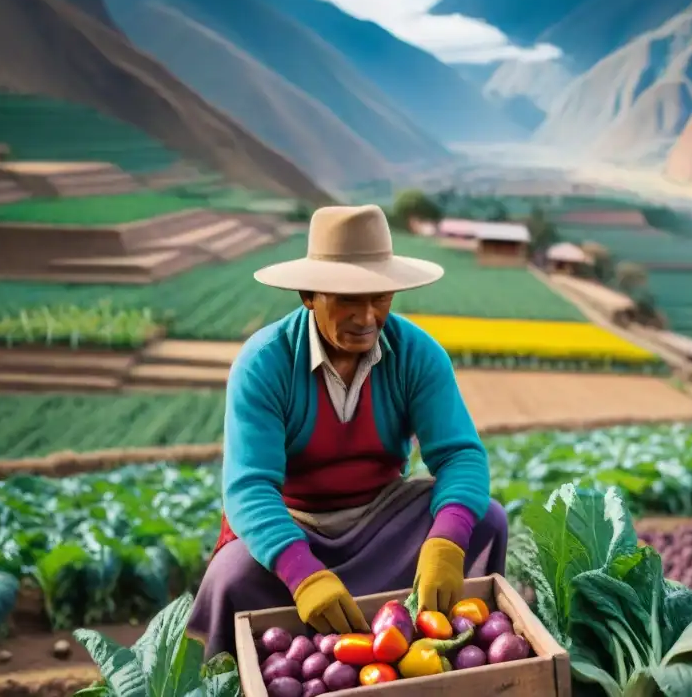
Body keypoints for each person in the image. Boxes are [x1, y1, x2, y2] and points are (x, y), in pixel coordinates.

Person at [187, 204, 508, 658]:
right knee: (232, 576)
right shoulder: (264, 364)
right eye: (347, 300)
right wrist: (302, 574)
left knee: (486, 519)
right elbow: (249, 487)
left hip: (382, 517)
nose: (368, 317)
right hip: (298, 521)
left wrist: (446, 540)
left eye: (380, 297)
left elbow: (460, 456)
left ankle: (457, 655)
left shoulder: (417, 354)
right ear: (308, 294)